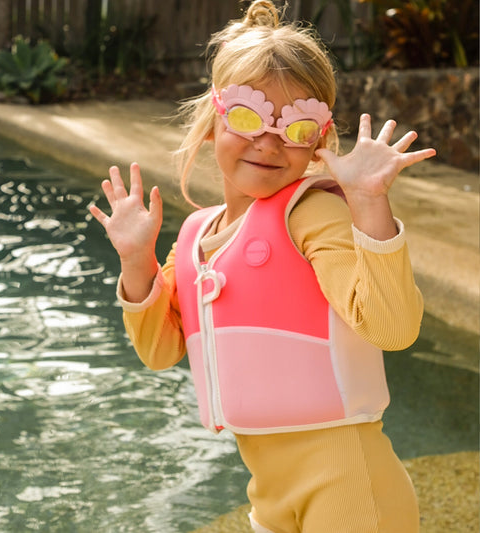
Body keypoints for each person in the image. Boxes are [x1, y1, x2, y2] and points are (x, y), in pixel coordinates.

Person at [90, 1, 436, 531]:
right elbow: (160, 352)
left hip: (349, 486)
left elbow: (392, 328)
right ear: (213, 120)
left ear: (318, 141)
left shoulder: (311, 213)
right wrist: (137, 260)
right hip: (268, 493)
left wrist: (368, 204)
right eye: (249, 118)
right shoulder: (195, 237)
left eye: (296, 128)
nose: (269, 143)